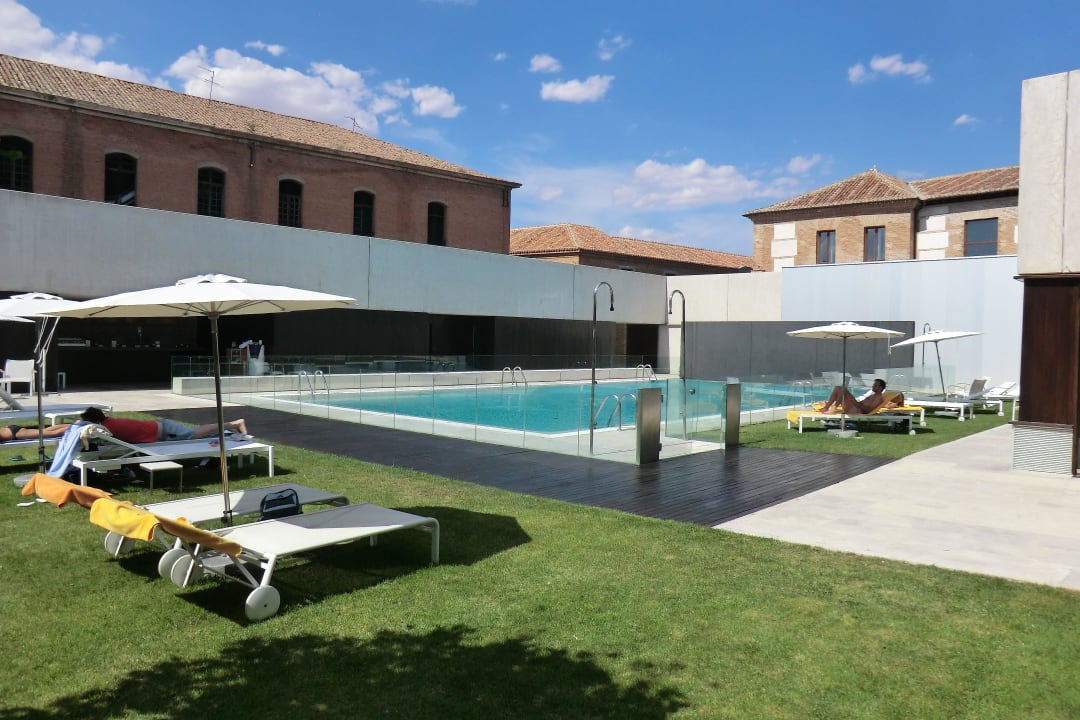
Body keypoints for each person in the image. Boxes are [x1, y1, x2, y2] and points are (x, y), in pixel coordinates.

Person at [79, 407, 250, 443]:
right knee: (199, 432)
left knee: (195, 434)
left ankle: (234, 424)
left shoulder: (109, 427)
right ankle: (230, 425)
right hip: (161, 429)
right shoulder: (109, 422)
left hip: (164, 430)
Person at [818, 378, 904, 415]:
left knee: (843, 390)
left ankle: (833, 408)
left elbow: (867, 410)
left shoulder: (878, 398)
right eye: (874, 385)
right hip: (855, 406)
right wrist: (857, 403)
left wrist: (857, 403)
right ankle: (827, 407)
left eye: (875, 386)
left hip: (856, 409)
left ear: (880, 388)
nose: (873, 387)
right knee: (838, 388)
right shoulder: (873, 395)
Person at [0, 423, 71, 443]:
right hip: (11, 430)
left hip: (16, 433)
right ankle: (72, 425)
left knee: (54, 434)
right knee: (46, 431)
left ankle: (75, 426)